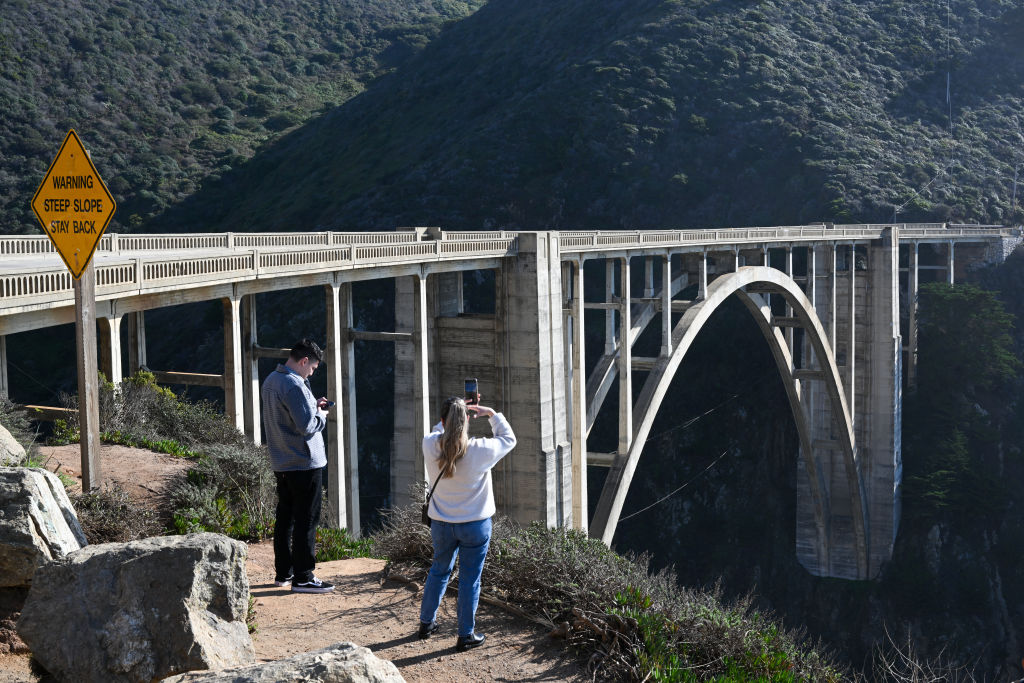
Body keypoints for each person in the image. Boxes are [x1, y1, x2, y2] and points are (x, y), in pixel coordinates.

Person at [418, 396, 516, 651]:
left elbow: (438, 431)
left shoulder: (429, 445)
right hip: (475, 525)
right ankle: (465, 635)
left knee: (439, 570)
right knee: (470, 579)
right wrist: (492, 413)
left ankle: (426, 624)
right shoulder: (480, 450)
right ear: (466, 425)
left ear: (442, 421)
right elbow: (508, 439)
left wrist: (453, 411)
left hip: (441, 524)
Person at [261, 338, 335, 594]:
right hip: (304, 462)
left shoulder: (271, 380)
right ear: (304, 361)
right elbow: (306, 426)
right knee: (307, 519)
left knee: (285, 518)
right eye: (312, 368)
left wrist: (312, 406)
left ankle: (284, 572)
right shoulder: (294, 385)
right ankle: (304, 576)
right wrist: (321, 416)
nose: (312, 372)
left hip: (281, 461)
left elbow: (289, 418)